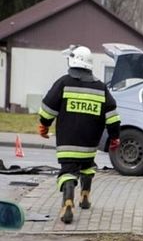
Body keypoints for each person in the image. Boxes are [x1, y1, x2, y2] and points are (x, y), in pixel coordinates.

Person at [38, 45, 121, 224]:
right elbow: (113, 116)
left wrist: (44, 125)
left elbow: (48, 108)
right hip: (90, 143)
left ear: (72, 62)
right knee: (87, 166)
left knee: (68, 171)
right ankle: (85, 195)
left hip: (67, 142)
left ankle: (68, 201)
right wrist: (115, 136)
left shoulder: (63, 82)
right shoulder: (101, 88)